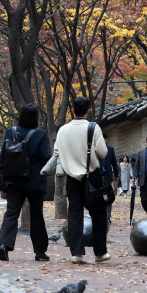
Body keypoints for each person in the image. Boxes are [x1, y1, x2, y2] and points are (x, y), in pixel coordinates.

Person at [53, 97, 109, 264]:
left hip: (72, 178)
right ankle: (100, 253)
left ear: (72, 110)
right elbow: (103, 152)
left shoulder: (63, 130)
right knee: (98, 215)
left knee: (74, 214)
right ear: (89, 110)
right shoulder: (94, 128)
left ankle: (76, 253)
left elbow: (57, 152)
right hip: (91, 176)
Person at [0, 104, 51, 262]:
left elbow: (3, 155)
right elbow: (45, 157)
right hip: (35, 182)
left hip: (14, 179)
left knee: (11, 213)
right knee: (37, 215)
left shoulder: (11, 132)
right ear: (35, 118)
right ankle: (40, 251)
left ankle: (3, 245)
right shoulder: (40, 134)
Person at [99, 135, 119, 223]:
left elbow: (114, 162)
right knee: (98, 196)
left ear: (106, 139)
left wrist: (116, 174)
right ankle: (100, 215)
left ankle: (107, 215)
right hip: (97, 176)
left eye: (103, 139)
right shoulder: (95, 148)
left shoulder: (110, 149)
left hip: (108, 176)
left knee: (108, 196)